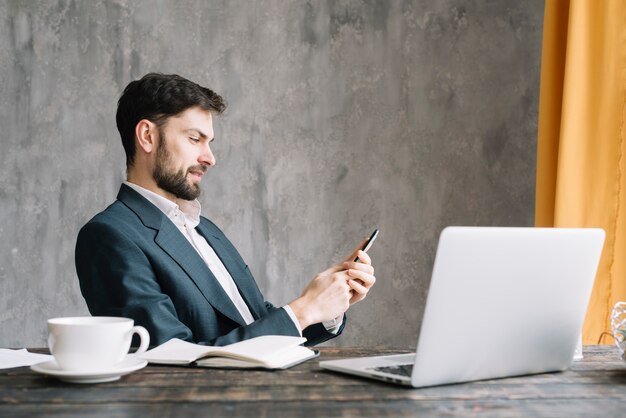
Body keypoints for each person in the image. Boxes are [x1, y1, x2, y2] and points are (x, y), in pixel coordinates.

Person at [75, 73, 376, 347]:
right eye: (195, 139)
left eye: (210, 142)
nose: (210, 158)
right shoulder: (109, 236)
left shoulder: (204, 229)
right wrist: (302, 310)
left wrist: (327, 308)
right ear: (147, 136)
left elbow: (254, 321)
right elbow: (171, 359)